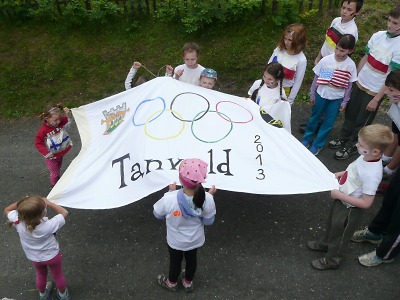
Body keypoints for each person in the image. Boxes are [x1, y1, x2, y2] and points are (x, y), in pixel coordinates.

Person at [307, 124, 393, 270]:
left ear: (376, 151)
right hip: (343, 198)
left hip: (350, 209)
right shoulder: (366, 156)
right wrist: (341, 173)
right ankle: (325, 244)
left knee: (340, 235)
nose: (357, 145)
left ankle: (332, 260)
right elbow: (354, 169)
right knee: (332, 225)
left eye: (360, 144)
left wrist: (339, 195)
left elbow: (366, 203)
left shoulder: (372, 174)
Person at [329, 5, 400, 160]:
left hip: (375, 90)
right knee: (350, 113)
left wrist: (376, 98)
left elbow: (392, 78)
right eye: (389, 20)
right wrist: (355, 79)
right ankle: (343, 137)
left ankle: (353, 145)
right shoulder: (378, 35)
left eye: (395, 23)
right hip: (360, 82)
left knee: (362, 120)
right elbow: (365, 58)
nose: (389, 25)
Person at [153, 158, 217, 292]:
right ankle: (188, 283)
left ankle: (171, 283)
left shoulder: (169, 199)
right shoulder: (207, 199)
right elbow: (208, 221)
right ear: (202, 179)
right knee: (191, 260)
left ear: (180, 179)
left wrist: (171, 192)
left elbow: (157, 214)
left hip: (175, 241)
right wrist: (209, 196)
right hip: (195, 239)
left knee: (175, 262)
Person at [4, 195, 71, 300]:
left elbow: (7, 209)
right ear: (41, 214)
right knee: (58, 275)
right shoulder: (49, 225)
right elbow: (64, 212)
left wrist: (23, 202)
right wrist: (49, 202)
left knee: (40, 275)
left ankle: (43, 295)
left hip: (35, 257)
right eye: (45, 207)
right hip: (52, 256)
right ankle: (63, 295)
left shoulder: (18, 220)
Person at [301, 34, 357, 156]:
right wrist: (312, 94)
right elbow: (317, 78)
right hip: (322, 94)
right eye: (337, 48)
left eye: (342, 50)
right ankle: (307, 138)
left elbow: (349, 86)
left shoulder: (350, 65)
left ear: (350, 51)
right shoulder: (327, 60)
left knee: (328, 122)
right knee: (314, 117)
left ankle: (318, 144)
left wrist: (344, 101)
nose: (338, 52)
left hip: (336, 98)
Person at [34, 104, 73, 187]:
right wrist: (47, 153)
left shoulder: (59, 122)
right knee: (54, 173)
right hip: (51, 157)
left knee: (58, 168)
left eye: (59, 119)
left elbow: (68, 121)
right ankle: (54, 186)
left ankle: (57, 180)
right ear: (47, 119)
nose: (58, 121)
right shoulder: (43, 131)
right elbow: (38, 143)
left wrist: (68, 115)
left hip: (59, 153)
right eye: (55, 120)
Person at [268, 23, 307, 105]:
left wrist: (289, 102)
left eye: (290, 40)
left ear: (298, 41)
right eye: (285, 38)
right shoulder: (279, 49)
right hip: (268, 86)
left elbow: (297, 83)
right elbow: (268, 67)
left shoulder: (301, 60)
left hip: (284, 92)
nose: (286, 42)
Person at [314, 0, 363, 65]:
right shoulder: (336, 21)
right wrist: (318, 57)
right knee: (317, 74)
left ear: (357, 12)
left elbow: (345, 54)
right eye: (343, 7)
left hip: (331, 64)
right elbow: (327, 40)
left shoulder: (351, 32)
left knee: (324, 75)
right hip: (322, 59)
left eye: (349, 10)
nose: (344, 11)